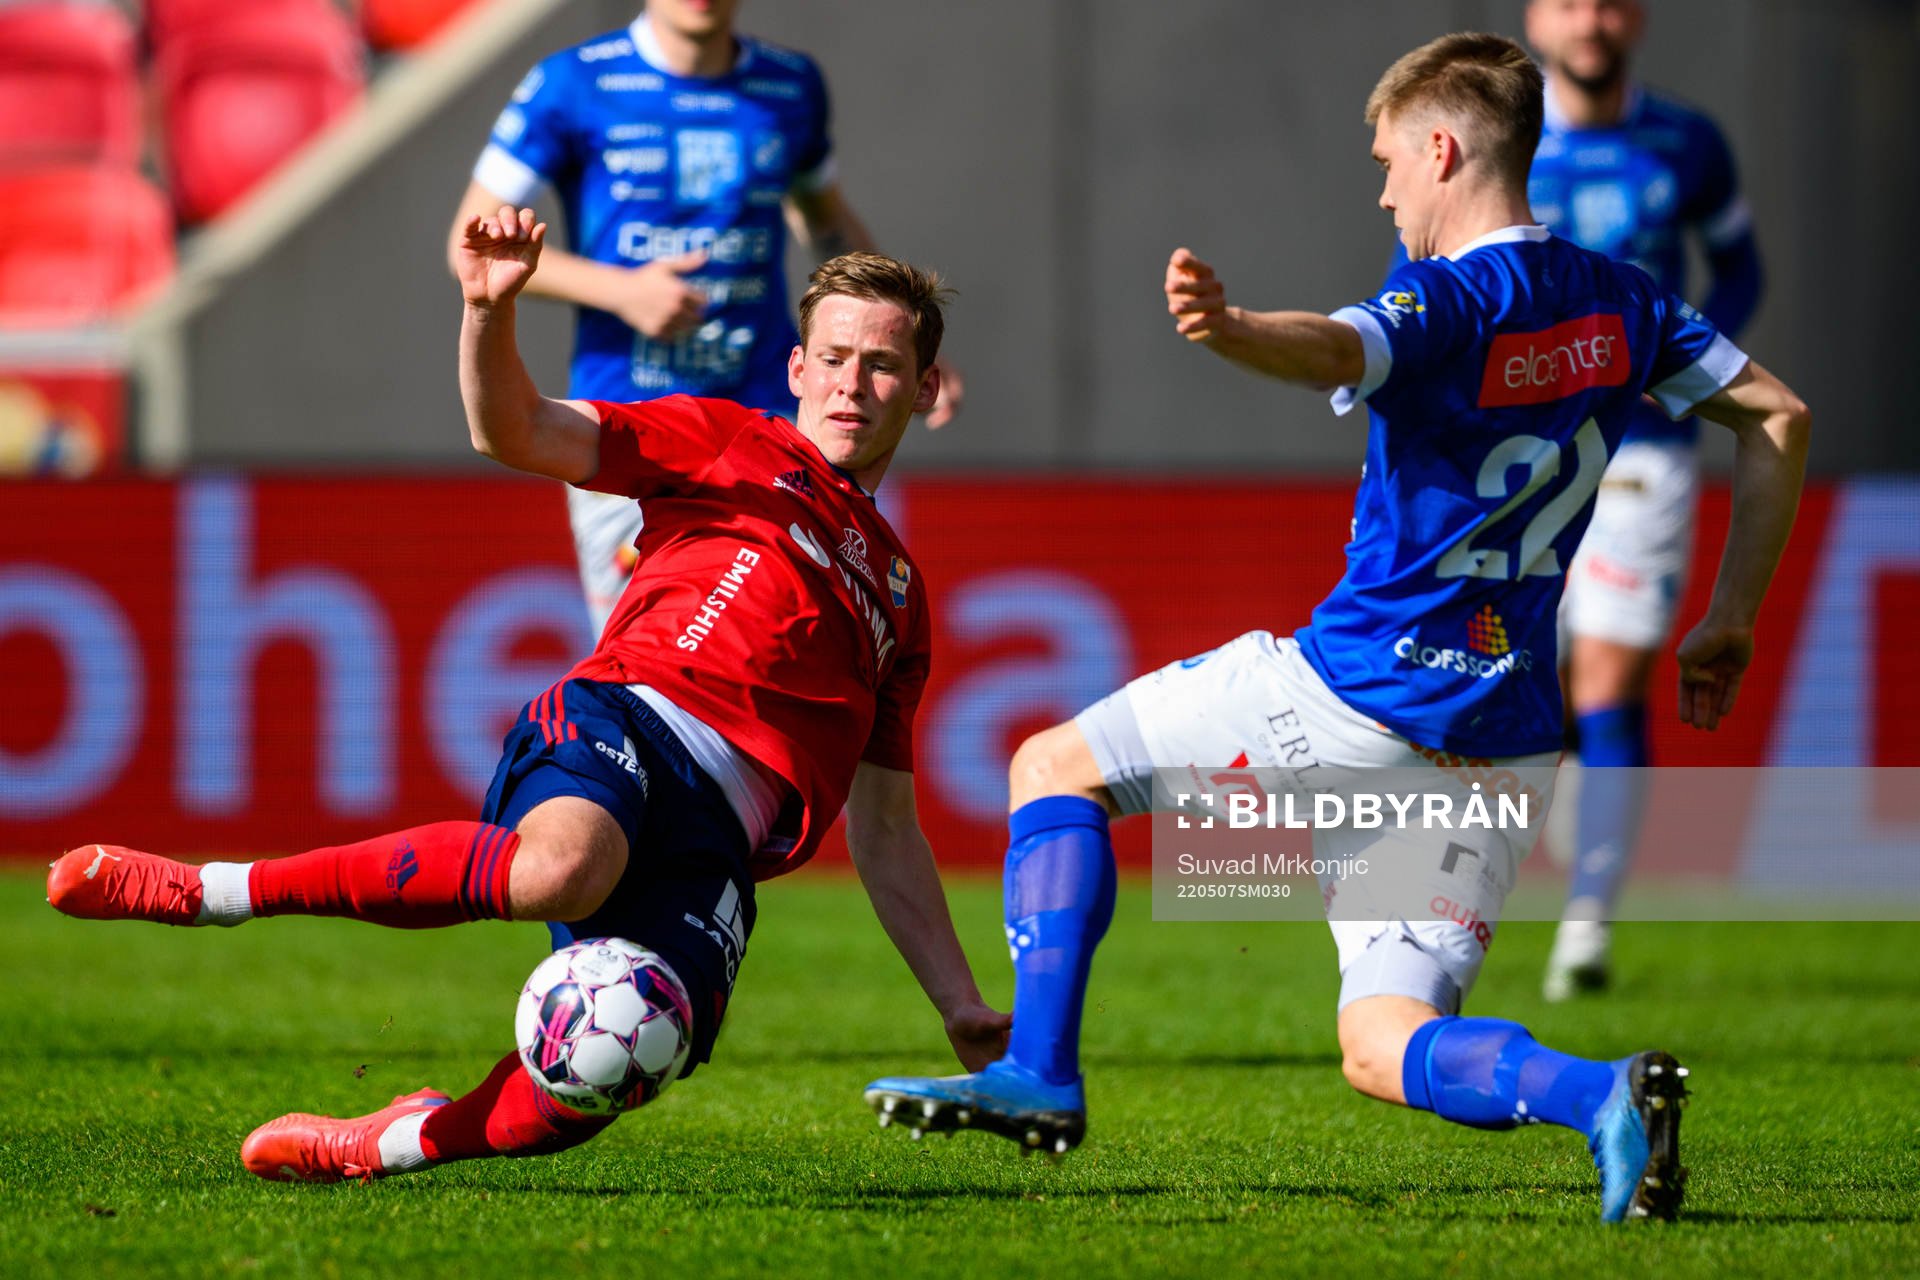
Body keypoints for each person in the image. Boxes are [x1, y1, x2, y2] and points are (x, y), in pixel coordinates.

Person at [862, 33, 1809, 1224]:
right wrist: (1731, 617)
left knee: (1054, 766)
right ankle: (1604, 1094)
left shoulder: (1448, 293)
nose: (1383, 190)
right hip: (1501, 741)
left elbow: (1343, 340)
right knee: (1381, 1038)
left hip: (1361, 693)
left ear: (1443, 147)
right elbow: (1779, 414)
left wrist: (1233, 326)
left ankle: (1039, 1072)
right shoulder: (1625, 299)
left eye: (1387, 162)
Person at [48, 213, 1008, 1184]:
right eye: (835, 356)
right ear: (797, 367)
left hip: (723, 841)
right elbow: (515, 429)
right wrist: (487, 310)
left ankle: (390, 1140)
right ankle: (213, 891)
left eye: (882, 364)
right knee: (561, 870)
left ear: (926, 389)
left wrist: (960, 1002)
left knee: (612, 1062)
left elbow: (887, 830)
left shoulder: (899, 594)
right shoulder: (729, 441)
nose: (853, 381)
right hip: (633, 713)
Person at [449, 0, 961, 636]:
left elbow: (822, 217)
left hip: (777, 424)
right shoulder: (573, 83)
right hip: (631, 433)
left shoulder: (790, 86)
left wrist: (905, 341)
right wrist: (621, 291)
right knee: (657, 657)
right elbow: (470, 248)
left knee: (815, 642)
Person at [1522, 0, 1766, 1001]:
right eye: (1572, 2)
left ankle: (1586, 918)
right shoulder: (1497, 129)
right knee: (1520, 680)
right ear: (1537, 17)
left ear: (1640, 19)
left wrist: (1689, 368)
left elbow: (1741, 263)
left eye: (1612, 3)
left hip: (1641, 455)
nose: (1593, 21)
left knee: (1612, 683)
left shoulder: (1688, 142)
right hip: (1517, 453)